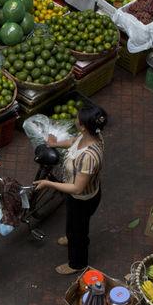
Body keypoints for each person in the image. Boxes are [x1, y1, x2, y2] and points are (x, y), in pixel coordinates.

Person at [35, 105, 108, 275]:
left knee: (79, 233)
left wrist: (48, 184)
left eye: (78, 119)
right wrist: (56, 144)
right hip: (75, 197)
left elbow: (77, 188)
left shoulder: (89, 157)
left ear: (83, 126)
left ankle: (77, 264)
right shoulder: (90, 134)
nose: (75, 120)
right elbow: (74, 141)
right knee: (72, 221)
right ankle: (70, 236)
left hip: (83, 199)